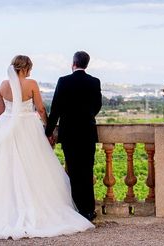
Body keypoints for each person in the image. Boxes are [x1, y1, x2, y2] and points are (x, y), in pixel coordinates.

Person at [0, 55, 93, 239]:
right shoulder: (31, 83)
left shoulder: (2, 85)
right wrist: (49, 130)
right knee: (35, 167)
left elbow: (0, 111)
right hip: (28, 128)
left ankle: (5, 213)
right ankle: (36, 209)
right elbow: (40, 109)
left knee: (5, 170)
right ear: (27, 67)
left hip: (7, 129)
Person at [45, 51, 102, 221]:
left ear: (73, 63)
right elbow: (97, 106)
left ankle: (78, 210)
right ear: (86, 64)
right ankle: (89, 210)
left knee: (74, 171)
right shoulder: (94, 82)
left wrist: (48, 132)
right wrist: (87, 116)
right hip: (88, 132)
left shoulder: (64, 81)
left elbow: (55, 109)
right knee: (87, 170)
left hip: (69, 133)